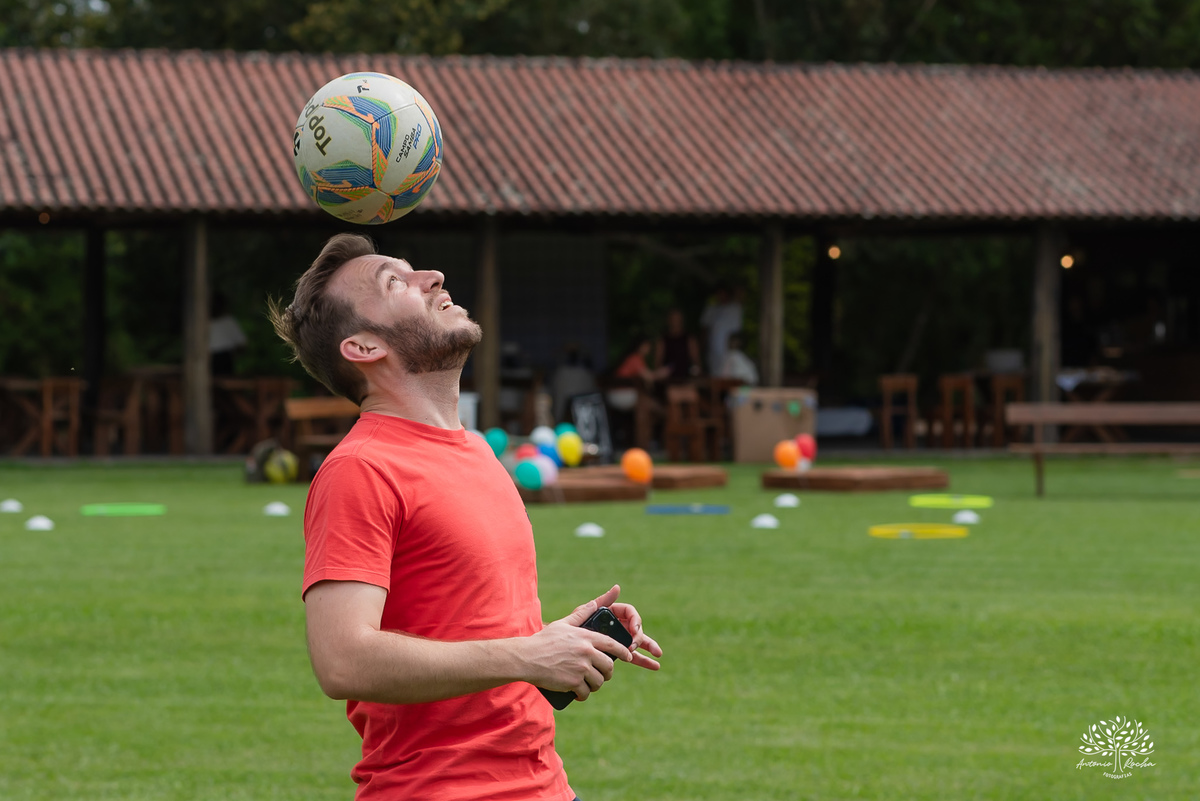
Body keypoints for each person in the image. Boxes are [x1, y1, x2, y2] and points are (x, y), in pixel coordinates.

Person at [268, 234, 662, 801]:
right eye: (395, 282)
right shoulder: (360, 468)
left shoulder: (475, 451)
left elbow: (471, 632)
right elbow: (342, 660)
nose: (432, 277)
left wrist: (554, 643)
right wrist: (526, 655)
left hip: (543, 785)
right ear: (362, 347)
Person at [700, 285, 743, 375]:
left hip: (730, 352)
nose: (720, 296)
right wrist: (703, 347)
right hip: (714, 352)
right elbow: (705, 330)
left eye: (723, 293)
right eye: (718, 293)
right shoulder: (711, 309)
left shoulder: (735, 309)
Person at [654, 308, 701, 380]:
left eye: (677, 318)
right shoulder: (663, 340)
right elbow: (658, 361)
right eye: (673, 318)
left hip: (686, 379)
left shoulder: (690, 338)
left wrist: (697, 373)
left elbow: (696, 360)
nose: (675, 321)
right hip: (667, 380)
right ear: (669, 320)